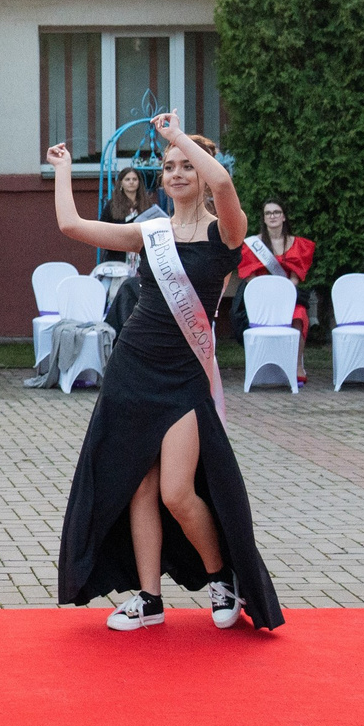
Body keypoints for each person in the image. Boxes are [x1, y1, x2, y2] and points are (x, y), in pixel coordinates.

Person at [50, 114, 282, 636]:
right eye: (169, 167)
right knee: (138, 486)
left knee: (177, 491)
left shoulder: (227, 231)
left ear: (200, 173)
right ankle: (149, 598)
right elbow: (72, 227)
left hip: (183, 377)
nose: (176, 173)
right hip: (133, 368)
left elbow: (224, 183)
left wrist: (175, 135)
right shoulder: (150, 232)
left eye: (185, 166)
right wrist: (64, 170)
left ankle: (222, 578)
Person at [235, 198, 315, 382]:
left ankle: (297, 365)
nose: (273, 216)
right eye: (268, 213)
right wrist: (267, 298)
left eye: (276, 212)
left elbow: (294, 279)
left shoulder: (298, 244)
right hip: (261, 302)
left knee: (299, 314)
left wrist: (281, 296)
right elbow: (250, 279)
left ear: (284, 217)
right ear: (263, 218)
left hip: (286, 299)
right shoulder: (252, 246)